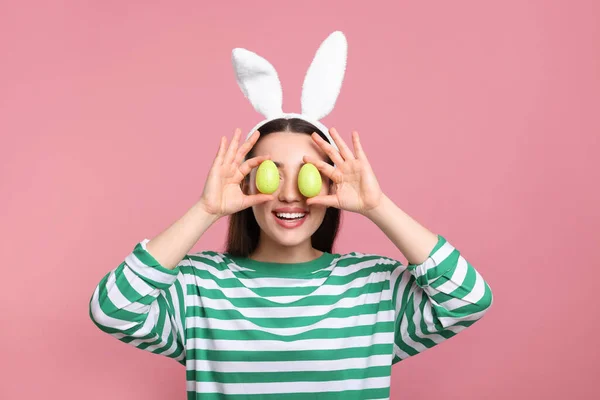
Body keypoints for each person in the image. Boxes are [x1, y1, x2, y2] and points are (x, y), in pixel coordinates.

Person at [89, 32, 493, 399]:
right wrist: (205, 210)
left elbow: (469, 299)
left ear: (333, 185)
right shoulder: (199, 287)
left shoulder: (375, 286)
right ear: (246, 185)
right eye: (271, 174)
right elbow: (112, 309)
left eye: (310, 175)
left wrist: (377, 206)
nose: (288, 194)